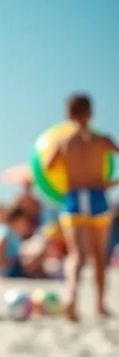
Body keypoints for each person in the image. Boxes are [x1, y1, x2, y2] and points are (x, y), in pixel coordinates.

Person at [45, 93, 119, 321]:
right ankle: (99, 306)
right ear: (91, 113)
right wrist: (111, 183)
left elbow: (47, 168)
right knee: (99, 255)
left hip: (74, 198)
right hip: (98, 197)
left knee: (77, 254)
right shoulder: (102, 141)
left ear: (68, 114)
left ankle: (71, 299)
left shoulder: (63, 142)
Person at [0, 206, 46, 278]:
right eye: (24, 221)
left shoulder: (15, 233)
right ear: (17, 220)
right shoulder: (5, 230)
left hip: (14, 265)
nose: (26, 224)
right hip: (9, 269)